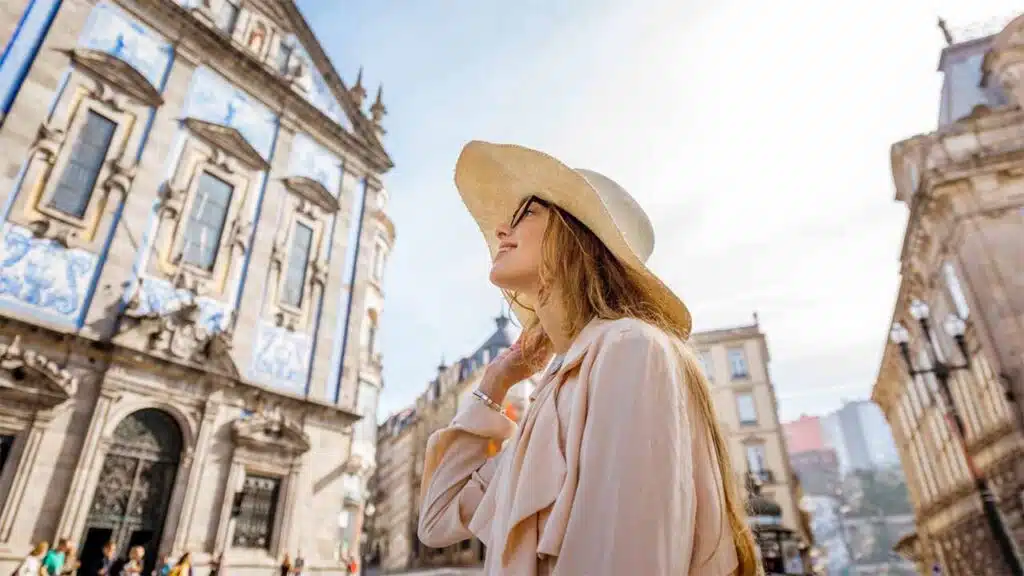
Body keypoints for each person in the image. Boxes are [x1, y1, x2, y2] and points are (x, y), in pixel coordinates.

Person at [417, 141, 760, 575]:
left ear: (574, 236)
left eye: (526, 213)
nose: (502, 230)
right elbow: (436, 520)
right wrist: (494, 383)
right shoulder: (553, 397)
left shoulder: (630, 349)